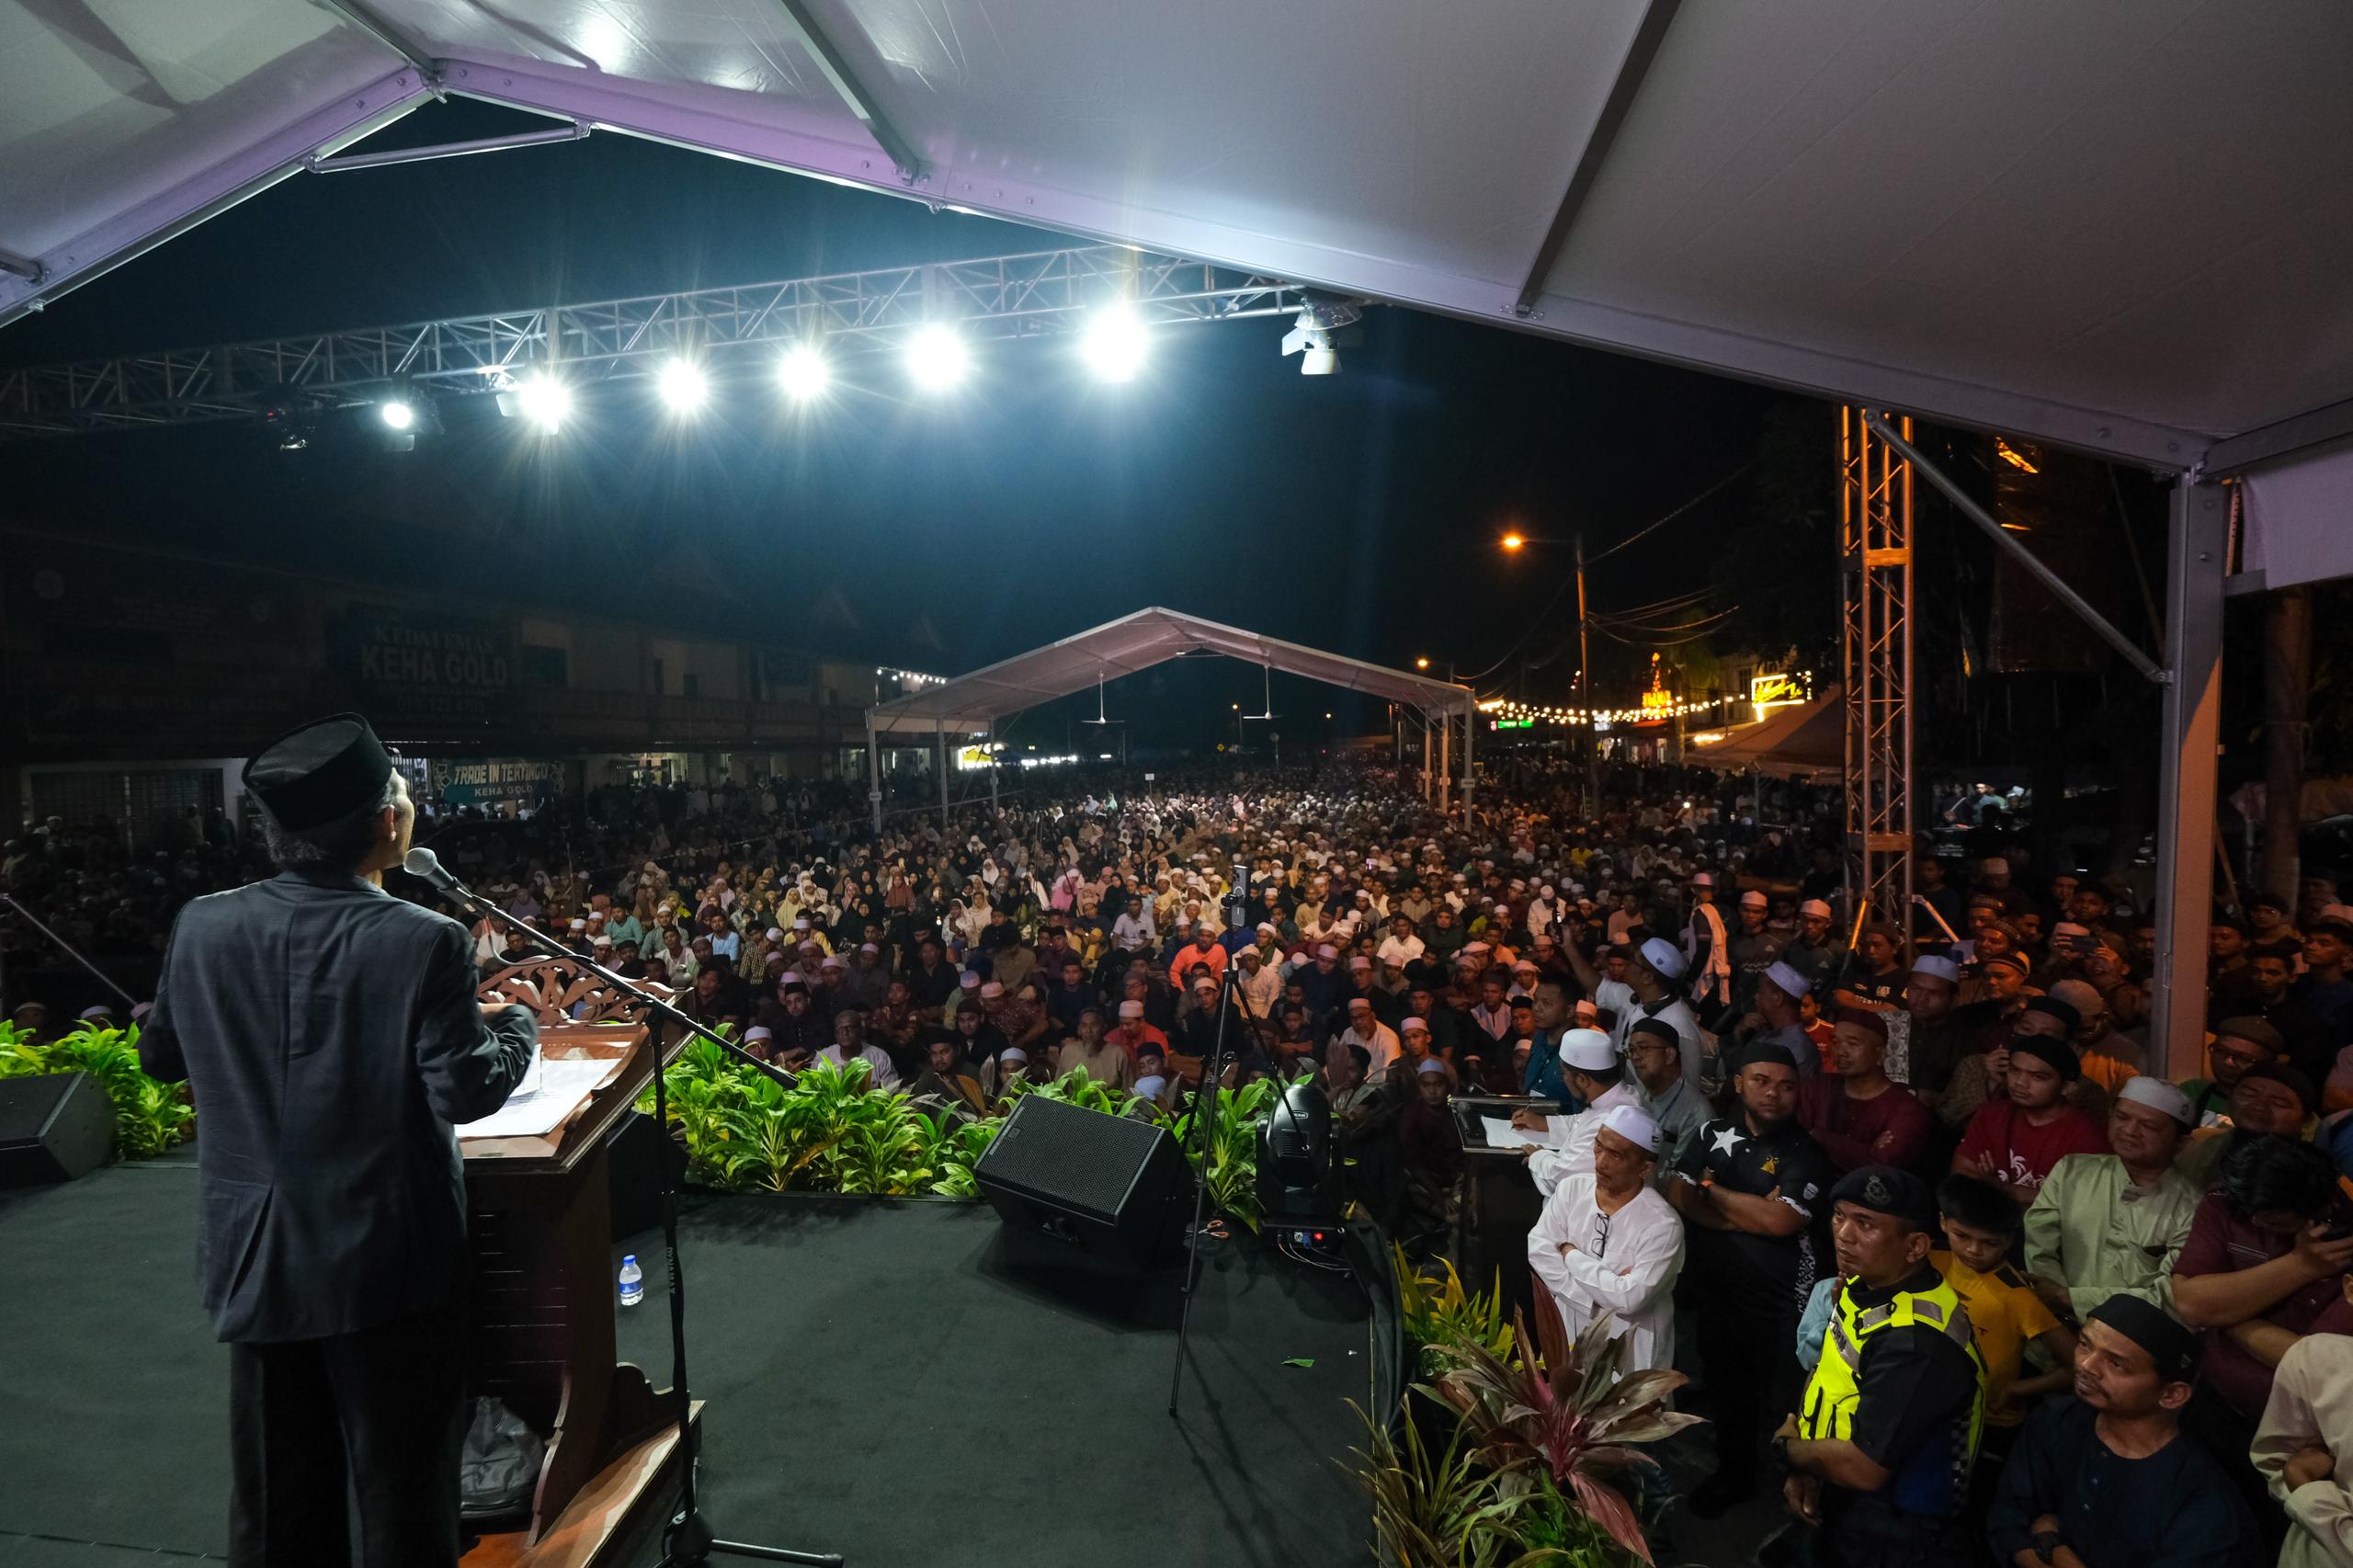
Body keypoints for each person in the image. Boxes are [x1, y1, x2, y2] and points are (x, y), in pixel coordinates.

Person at [138, 713, 538, 1565]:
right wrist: (521, 1027)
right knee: (401, 1494)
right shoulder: (422, 940)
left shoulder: (202, 924)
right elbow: (466, 1089)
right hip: (385, 1260)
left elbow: (159, 1055)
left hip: (256, 1255)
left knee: (279, 1498)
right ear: (388, 823)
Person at [1778, 1165, 1986, 1568]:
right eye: (1840, 1215)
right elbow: (1830, 1371)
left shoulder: (1917, 1342)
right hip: (1840, 1489)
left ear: (1915, 1247)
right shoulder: (1863, 1283)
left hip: (1895, 1527)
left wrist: (1789, 1452)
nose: (1843, 1234)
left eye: (1865, 1223)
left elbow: (1864, 1468)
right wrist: (1808, 1456)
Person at [1667, 1042, 1837, 1516]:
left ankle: (1796, 1489)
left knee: (1784, 1399)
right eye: (1762, 1081)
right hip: (1719, 1288)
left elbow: (1783, 1223)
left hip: (1783, 1299)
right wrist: (1747, 1213)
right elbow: (1679, 1192)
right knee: (1727, 1388)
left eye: (1786, 1086)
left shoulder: (1805, 1151)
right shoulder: (1711, 1131)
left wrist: (1713, 1190)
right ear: (1738, 1083)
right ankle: (1736, 1476)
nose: (1774, 1094)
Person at [1987, 1294, 2260, 1568]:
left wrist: (2053, 1546)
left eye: (2116, 1364)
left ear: (2172, 1395)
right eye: (2085, 1344)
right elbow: (2008, 1522)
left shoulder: (2203, 1502)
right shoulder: (2057, 1419)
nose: (2086, 1365)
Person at [2173, 1135, 2353, 1540]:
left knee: (2262, 1539)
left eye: (2269, 1220)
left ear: (2320, 1210)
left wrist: (2226, 1311)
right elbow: (2189, 1305)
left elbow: (2312, 1361)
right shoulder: (2230, 1200)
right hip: (2212, 1408)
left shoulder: (2346, 1231)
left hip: (2296, 1446)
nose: (2253, 1222)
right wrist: (2301, 1264)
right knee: (2191, 1525)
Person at [2022, 1078, 2201, 1322]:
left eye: (2148, 1125)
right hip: (2052, 1327)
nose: (2129, 1130)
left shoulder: (2194, 1208)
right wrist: (2058, 1306)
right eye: (2122, 1117)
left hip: (2134, 1345)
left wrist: (2068, 1298)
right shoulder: (2072, 1171)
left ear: (2181, 1143)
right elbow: (2039, 1250)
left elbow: (2170, 1296)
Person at [1933, 1173, 2076, 1476]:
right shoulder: (1931, 1258)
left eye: (1989, 1243)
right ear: (1944, 1222)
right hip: (1935, 1408)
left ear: (2009, 1240)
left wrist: (2018, 1388)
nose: (1974, 1250)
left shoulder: (2018, 1295)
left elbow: (2077, 1365)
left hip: (1992, 1422)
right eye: (1962, 1236)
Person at [1527, 1106, 1684, 1371]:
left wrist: (1569, 1254)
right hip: (1568, 1324)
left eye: (1616, 1156)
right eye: (1598, 1147)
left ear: (1645, 1168)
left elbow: (1630, 1299)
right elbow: (1539, 1250)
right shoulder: (1571, 1189)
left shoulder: (1663, 1225)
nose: (1600, 1163)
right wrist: (1598, 1297)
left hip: (1630, 1341)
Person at [2252, 1278, 2353, 1568]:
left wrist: (2308, 1493)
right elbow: (2274, 1459)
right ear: (2350, 1289)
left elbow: (2295, 1476)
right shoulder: (2315, 1359)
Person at [1954, 1035, 2110, 1206]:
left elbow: (2081, 1203)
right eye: (2014, 1070)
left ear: (2066, 1087)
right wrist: (2032, 1195)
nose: (2020, 1082)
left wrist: (2002, 1189)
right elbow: (1961, 1174)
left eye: (2037, 1077)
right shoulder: (1992, 1114)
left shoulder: (2086, 1137)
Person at [1798, 1009, 1938, 1177]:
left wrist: (1818, 1137)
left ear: (1880, 1054)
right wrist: (1866, 1150)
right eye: (1835, 1042)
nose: (1840, 1051)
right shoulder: (1818, 1087)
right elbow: (1792, 1138)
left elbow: (1883, 1164)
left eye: (1853, 1043)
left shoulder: (1907, 1109)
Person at [1515, 1027, 1641, 1195]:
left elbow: (1558, 1180)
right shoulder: (1619, 1095)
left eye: (1564, 1074)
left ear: (1582, 1080)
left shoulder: (1612, 1123)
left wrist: (1538, 1157)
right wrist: (1542, 1122)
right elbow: (1582, 1121)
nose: (1563, 1079)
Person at [2181, 1018, 2288, 1128]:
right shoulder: (2194, 1091)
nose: (2228, 1062)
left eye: (2245, 1058)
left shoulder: (2272, 1111)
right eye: (2220, 1051)